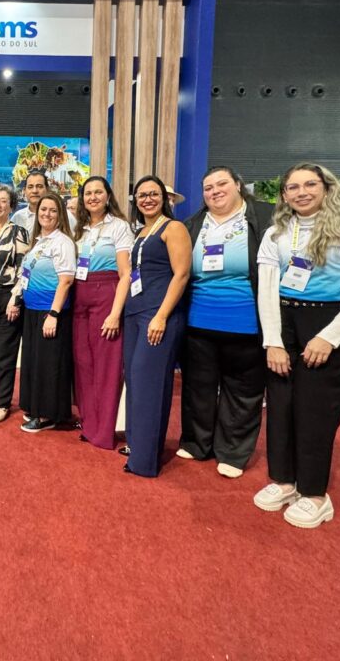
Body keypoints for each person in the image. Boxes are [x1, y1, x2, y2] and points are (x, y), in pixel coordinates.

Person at [255, 162, 340, 528]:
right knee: (280, 406)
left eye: (310, 184)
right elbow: (267, 288)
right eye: (293, 187)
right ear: (284, 195)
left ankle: (314, 494)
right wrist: (273, 340)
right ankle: (283, 480)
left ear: (326, 187)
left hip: (327, 321)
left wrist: (329, 337)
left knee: (316, 410)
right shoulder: (276, 233)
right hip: (283, 319)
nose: (302, 192)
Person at [179, 166, 274, 478]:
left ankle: (233, 452)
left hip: (246, 324)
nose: (214, 191)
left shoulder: (264, 218)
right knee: (198, 388)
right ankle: (196, 442)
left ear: (238, 186)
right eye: (208, 188)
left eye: (222, 184)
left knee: (243, 392)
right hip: (198, 323)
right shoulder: (193, 224)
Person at [121, 176, 191, 477]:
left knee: (149, 385)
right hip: (134, 313)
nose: (147, 199)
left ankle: (144, 461)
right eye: (141, 195)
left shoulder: (173, 228)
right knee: (135, 382)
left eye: (153, 194)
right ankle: (137, 445)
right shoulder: (141, 232)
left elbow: (181, 274)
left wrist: (161, 316)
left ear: (164, 197)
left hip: (157, 314)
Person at [71, 176, 134, 450]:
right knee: (83, 363)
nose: (93, 197)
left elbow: (126, 273)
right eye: (88, 193)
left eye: (98, 192)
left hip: (106, 295)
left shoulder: (120, 227)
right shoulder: (79, 228)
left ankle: (104, 430)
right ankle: (89, 423)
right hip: (79, 296)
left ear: (108, 196)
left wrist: (115, 313)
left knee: (107, 367)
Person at [6, 191, 76, 432]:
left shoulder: (63, 242)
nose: (47, 214)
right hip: (32, 311)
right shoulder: (38, 242)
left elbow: (66, 281)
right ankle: (36, 407)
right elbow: (25, 276)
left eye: (53, 210)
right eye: (43, 209)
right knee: (35, 363)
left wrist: (53, 315)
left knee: (49, 365)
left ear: (60, 215)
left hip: (51, 312)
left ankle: (48, 415)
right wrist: (15, 298)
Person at [0, 183, 29, 424]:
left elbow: (24, 269)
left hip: (8, 296)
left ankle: (2, 403)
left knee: (5, 351)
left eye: (3, 201)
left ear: (11, 206)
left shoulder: (18, 232)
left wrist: (16, 299)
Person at [11, 169, 77, 235]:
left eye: (39, 186)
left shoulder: (65, 215)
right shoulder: (17, 217)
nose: (34, 191)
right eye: (30, 187)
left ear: (47, 189)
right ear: (24, 191)